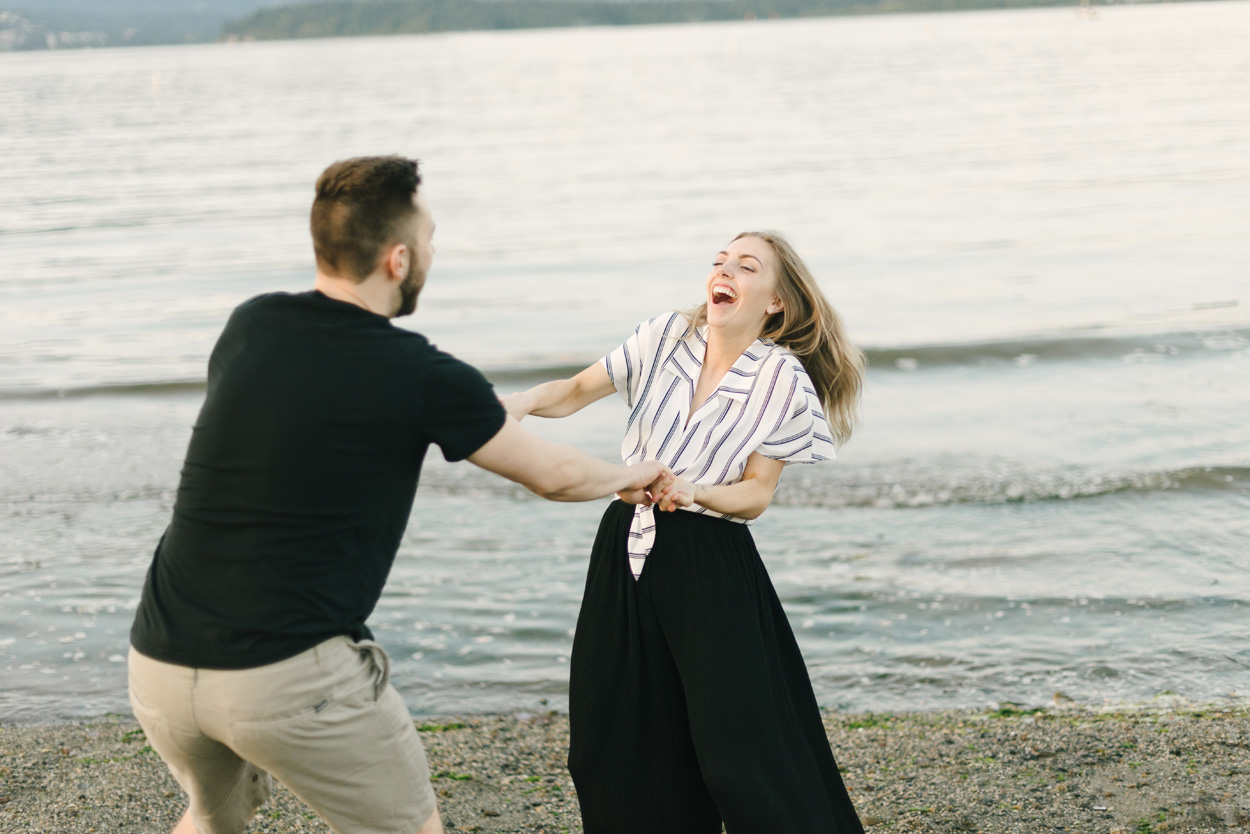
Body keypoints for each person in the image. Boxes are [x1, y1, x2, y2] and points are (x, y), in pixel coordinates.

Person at [126, 155, 667, 834]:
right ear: (397, 258)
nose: (434, 254)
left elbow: (310, 421)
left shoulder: (252, 325)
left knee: (213, 815)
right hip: (283, 674)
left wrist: (500, 409)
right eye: (431, 240)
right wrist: (631, 475)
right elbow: (553, 476)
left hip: (159, 662)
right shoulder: (419, 373)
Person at [502, 231, 867, 833]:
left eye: (746, 267)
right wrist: (512, 406)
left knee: (737, 757)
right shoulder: (664, 337)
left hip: (708, 559)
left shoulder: (783, 380)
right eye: (720, 262)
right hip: (623, 549)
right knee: (607, 738)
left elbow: (755, 496)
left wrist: (693, 491)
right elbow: (571, 393)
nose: (725, 272)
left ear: (775, 300)